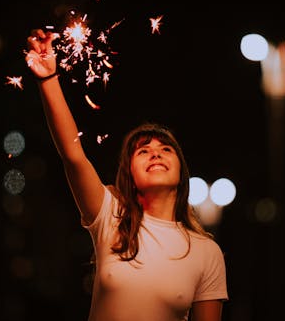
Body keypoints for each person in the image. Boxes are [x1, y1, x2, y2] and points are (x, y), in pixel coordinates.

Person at [25, 28, 229, 321]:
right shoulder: (111, 216)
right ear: (129, 174)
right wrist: (47, 79)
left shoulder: (206, 251)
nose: (156, 153)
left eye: (165, 149)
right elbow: (73, 156)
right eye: (143, 150)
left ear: (182, 173)